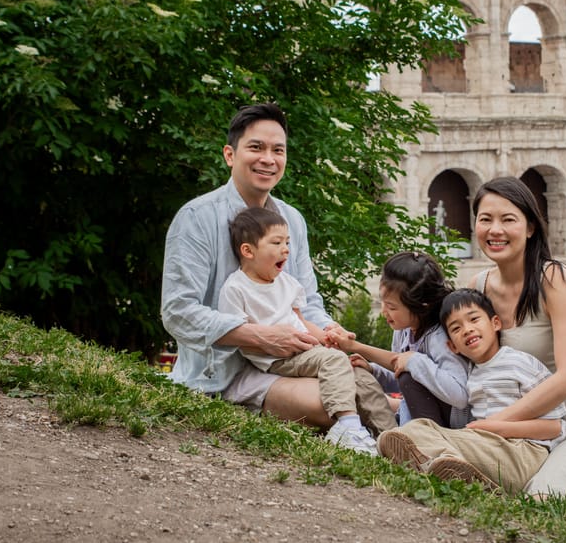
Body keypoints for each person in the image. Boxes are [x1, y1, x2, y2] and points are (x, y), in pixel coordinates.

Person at [161, 102, 383, 435]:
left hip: (290, 363)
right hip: (226, 373)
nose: (268, 158)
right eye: (256, 147)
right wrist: (260, 337)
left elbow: (307, 305)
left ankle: (422, 431)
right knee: (335, 400)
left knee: (360, 384)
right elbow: (177, 312)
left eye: (278, 150)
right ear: (229, 155)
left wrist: (331, 335)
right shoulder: (196, 218)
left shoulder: (292, 220)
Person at [469, 176, 566, 499]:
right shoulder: (478, 287)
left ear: (530, 227)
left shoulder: (554, 278)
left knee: (542, 498)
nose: (494, 230)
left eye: (507, 219)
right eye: (485, 219)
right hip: (524, 432)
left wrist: (495, 423)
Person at [217, 207, 394, 453]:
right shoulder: (236, 289)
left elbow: (300, 320)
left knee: (359, 374)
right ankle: (348, 425)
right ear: (248, 250)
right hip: (277, 359)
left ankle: (390, 436)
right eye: (276, 242)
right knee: (334, 361)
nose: (286, 249)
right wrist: (270, 340)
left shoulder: (287, 283)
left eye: (287, 242)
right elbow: (239, 334)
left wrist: (327, 336)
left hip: (307, 351)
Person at [377, 288, 566, 494]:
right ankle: (450, 469)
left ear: (495, 323)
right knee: (411, 431)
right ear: (452, 346)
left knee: (420, 436)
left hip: (522, 454)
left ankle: (445, 465)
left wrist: (496, 428)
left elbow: (556, 427)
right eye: (456, 328)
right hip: (484, 448)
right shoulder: (470, 375)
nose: (467, 329)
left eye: (474, 319)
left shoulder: (519, 363)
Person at [327, 251, 471, 428]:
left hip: (450, 424)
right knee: (371, 375)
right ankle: (396, 430)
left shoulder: (440, 337)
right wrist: (374, 370)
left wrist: (415, 361)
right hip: (416, 414)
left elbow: (461, 395)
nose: (383, 311)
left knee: (409, 377)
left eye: (392, 307)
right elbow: (404, 377)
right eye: (383, 303)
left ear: (421, 307)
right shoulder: (403, 331)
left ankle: (420, 439)